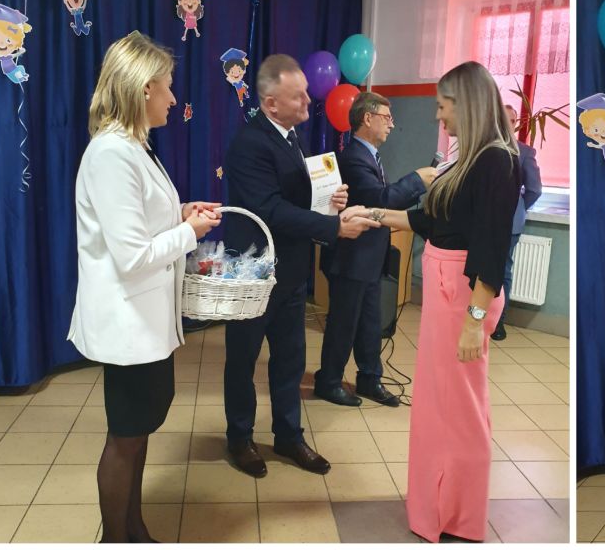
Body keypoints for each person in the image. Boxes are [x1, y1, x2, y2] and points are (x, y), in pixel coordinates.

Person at [67, 32, 221, 543]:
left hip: (147, 321)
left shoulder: (134, 148)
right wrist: (189, 232)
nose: (174, 98)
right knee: (126, 439)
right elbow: (131, 257)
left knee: (139, 432)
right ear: (143, 88)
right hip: (128, 323)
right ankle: (116, 538)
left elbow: (139, 222)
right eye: (168, 87)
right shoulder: (111, 153)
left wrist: (181, 213)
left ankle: (134, 530)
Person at [360, 62, 522, 542]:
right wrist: (373, 214)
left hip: (464, 298)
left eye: (443, 106)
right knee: (438, 406)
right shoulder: (469, 158)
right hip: (447, 292)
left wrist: (474, 320)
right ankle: (437, 506)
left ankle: (459, 515)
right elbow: (433, 222)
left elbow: (490, 249)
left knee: (461, 410)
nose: (438, 115)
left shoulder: (496, 161)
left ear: (466, 104)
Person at [222, 54, 378, 478]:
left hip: (290, 273)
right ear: (271, 103)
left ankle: (289, 436)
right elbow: (269, 208)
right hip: (253, 275)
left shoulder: (293, 137)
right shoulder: (249, 143)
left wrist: (331, 200)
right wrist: (333, 226)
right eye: (299, 96)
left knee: (290, 360)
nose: (310, 101)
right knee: (242, 361)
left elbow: (297, 199)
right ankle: (240, 438)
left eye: (308, 93)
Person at [315, 92, 435, 407]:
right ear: (367, 118)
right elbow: (380, 200)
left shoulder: (369, 156)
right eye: (387, 117)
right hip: (351, 258)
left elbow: (383, 203)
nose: (392, 125)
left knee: (370, 323)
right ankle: (328, 381)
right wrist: (417, 180)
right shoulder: (354, 157)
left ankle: (370, 378)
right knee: (344, 324)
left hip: (368, 259)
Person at [492, 105, 544, 341]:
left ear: (515, 123)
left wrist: (518, 207)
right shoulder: (483, 149)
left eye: (511, 120)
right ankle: (478, 317)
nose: (507, 123)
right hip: (480, 222)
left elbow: (534, 189)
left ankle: (498, 322)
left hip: (509, 224)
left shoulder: (525, 152)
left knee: (502, 271)